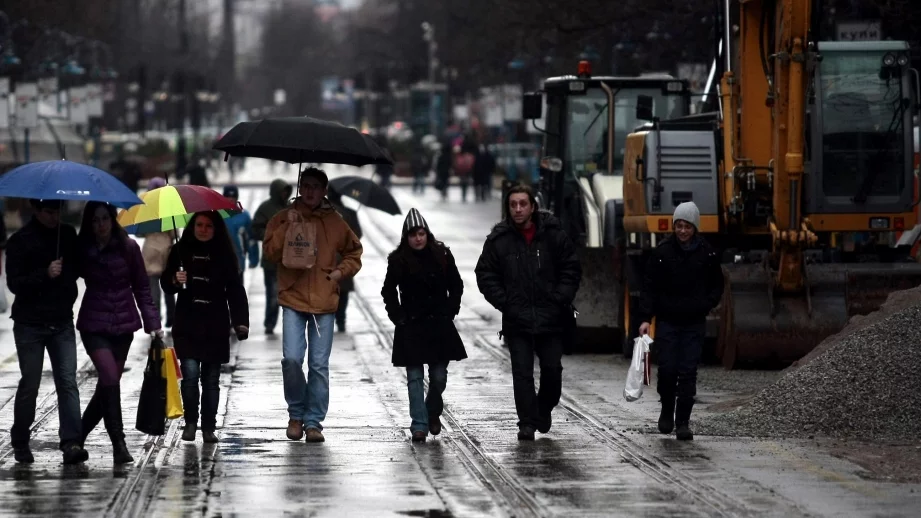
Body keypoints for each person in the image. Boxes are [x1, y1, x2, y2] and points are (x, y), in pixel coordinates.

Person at [475, 184, 581, 441]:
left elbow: (571, 268)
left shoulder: (553, 234)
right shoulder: (499, 240)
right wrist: (506, 303)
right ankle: (526, 423)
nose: (518, 209)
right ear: (508, 208)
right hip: (518, 319)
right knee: (522, 373)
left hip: (551, 317)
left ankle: (542, 409)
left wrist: (559, 298)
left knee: (552, 371)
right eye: (513, 204)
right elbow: (485, 274)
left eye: (523, 204)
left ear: (533, 206)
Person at [263, 167, 362, 443]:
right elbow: (269, 253)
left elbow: (355, 251)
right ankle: (296, 414)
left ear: (324, 191)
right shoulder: (282, 218)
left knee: (319, 365)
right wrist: (287, 227)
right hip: (293, 297)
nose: (309, 191)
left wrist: (339, 273)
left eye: (315, 187)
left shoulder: (335, 221)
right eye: (305, 186)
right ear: (299, 187)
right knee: (292, 359)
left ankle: (313, 422)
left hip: (324, 301)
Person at [76, 202, 162, 463]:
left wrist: (153, 323)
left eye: (104, 219)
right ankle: (119, 443)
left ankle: (76, 436)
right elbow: (67, 279)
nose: (100, 225)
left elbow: (142, 287)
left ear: (113, 220)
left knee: (107, 385)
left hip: (123, 327)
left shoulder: (129, 248)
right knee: (110, 377)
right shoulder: (83, 249)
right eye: (94, 220)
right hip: (94, 324)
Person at [6, 199, 89, 464]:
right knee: (30, 383)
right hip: (30, 324)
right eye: (49, 212)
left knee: (67, 381)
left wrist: (67, 277)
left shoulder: (66, 234)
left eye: (57, 211)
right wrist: (45, 273)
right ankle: (20, 439)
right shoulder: (20, 240)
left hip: (61, 320)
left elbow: (77, 267)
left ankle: (72, 442)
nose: (54, 217)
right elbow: (15, 283)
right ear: (37, 211)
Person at [637, 201, 723, 441]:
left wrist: (706, 304)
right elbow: (649, 287)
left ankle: (683, 421)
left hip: (694, 322)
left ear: (695, 227)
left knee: (688, 371)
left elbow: (717, 285)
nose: (683, 231)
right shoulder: (663, 253)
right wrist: (645, 318)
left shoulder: (707, 253)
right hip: (668, 322)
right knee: (667, 369)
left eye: (687, 226)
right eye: (679, 226)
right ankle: (667, 410)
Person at [162, 211, 250, 443]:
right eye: (199, 225)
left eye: (208, 226)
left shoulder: (224, 254)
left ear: (216, 229)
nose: (203, 229)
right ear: (192, 227)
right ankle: (191, 423)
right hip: (188, 323)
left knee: (211, 380)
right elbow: (166, 284)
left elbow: (235, 289)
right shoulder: (180, 250)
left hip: (215, 324)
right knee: (190, 375)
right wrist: (174, 279)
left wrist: (240, 322)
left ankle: (208, 426)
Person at [381, 209, 467, 442]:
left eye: (421, 233)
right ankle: (419, 424)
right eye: (413, 235)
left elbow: (456, 285)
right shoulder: (398, 260)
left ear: (427, 234)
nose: (418, 238)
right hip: (411, 326)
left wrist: (450, 310)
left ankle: (431, 411)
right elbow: (388, 291)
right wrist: (398, 316)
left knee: (439, 376)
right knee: (414, 377)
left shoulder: (442, 255)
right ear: (406, 237)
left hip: (439, 325)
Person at [252, 179, 293, 335]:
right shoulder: (265, 208)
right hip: (271, 261)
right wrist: (272, 236)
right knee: (273, 295)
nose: (284, 194)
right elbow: (255, 229)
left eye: (286, 191)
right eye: (282, 191)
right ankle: (270, 322)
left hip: (290, 261)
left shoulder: (291, 208)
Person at [141, 177, 176, 328]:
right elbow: (174, 234)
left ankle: (156, 320)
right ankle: (171, 317)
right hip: (166, 252)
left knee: (153, 290)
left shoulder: (144, 210)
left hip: (149, 253)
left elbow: (139, 233)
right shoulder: (168, 210)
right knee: (169, 288)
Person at [327, 189, 363, 333]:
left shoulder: (322, 213)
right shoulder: (350, 213)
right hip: (345, 258)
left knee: (326, 290)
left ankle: (328, 319)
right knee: (344, 291)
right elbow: (358, 234)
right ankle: (341, 320)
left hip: (326, 259)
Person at [222, 185, 260, 284]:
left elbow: (251, 238)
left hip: (238, 261)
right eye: (227, 197)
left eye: (233, 197)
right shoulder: (217, 215)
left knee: (237, 293)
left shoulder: (244, 216)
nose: (230, 200)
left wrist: (253, 258)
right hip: (220, 261)